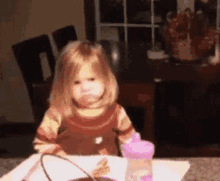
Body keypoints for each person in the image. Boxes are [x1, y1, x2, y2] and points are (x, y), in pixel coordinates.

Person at [32, 40, 154, 158]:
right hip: (70, 172)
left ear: (106, 79)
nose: (85, 88)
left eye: (91, 79)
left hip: (105, 172)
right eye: (76, 82)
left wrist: (133, 150)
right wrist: (61, 157)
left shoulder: (117, 112)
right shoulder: (57, 113)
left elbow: (129, 141)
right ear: (64, 86)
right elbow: (41, 143)